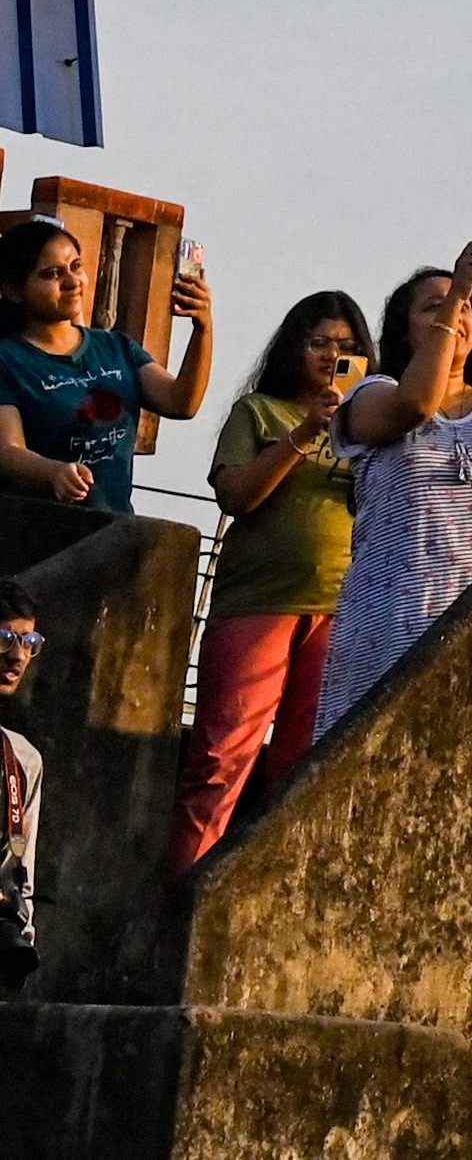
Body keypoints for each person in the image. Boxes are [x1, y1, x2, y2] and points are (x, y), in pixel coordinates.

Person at [313, 239, 472, 738]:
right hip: (388, 626)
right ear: (404, 329)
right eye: (434, 307)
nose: (457, 313)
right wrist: (457, 290)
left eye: (468, 307)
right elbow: (416, 403)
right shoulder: (371, 395)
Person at [169, 289, 369, 870]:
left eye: (347, 347)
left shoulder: (369, 426)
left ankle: (266, 887)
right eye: (318, 343)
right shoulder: (259, 411)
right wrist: (303, 435)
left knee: (302, 764)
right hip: (258, 601)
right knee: (218, 758)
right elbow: (237, 495)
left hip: (340, 607)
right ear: (292, 348)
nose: (332, 356)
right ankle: (184, 896)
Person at [0, 213, 213, 512]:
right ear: (13, 290)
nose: (72, 281)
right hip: (40, 539)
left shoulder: (116, 347)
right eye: (52, 274)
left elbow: (181, 402)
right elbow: (8, 451)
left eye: (76, 267)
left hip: (114, 534)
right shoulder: (8, 359)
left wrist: (202, 329)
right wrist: (53, 472)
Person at [0, 585, 40, 990]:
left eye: (29, 642)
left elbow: (21, 864)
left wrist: (21, 921)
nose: (17, 655)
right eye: (4, 639)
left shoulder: (23, 759)